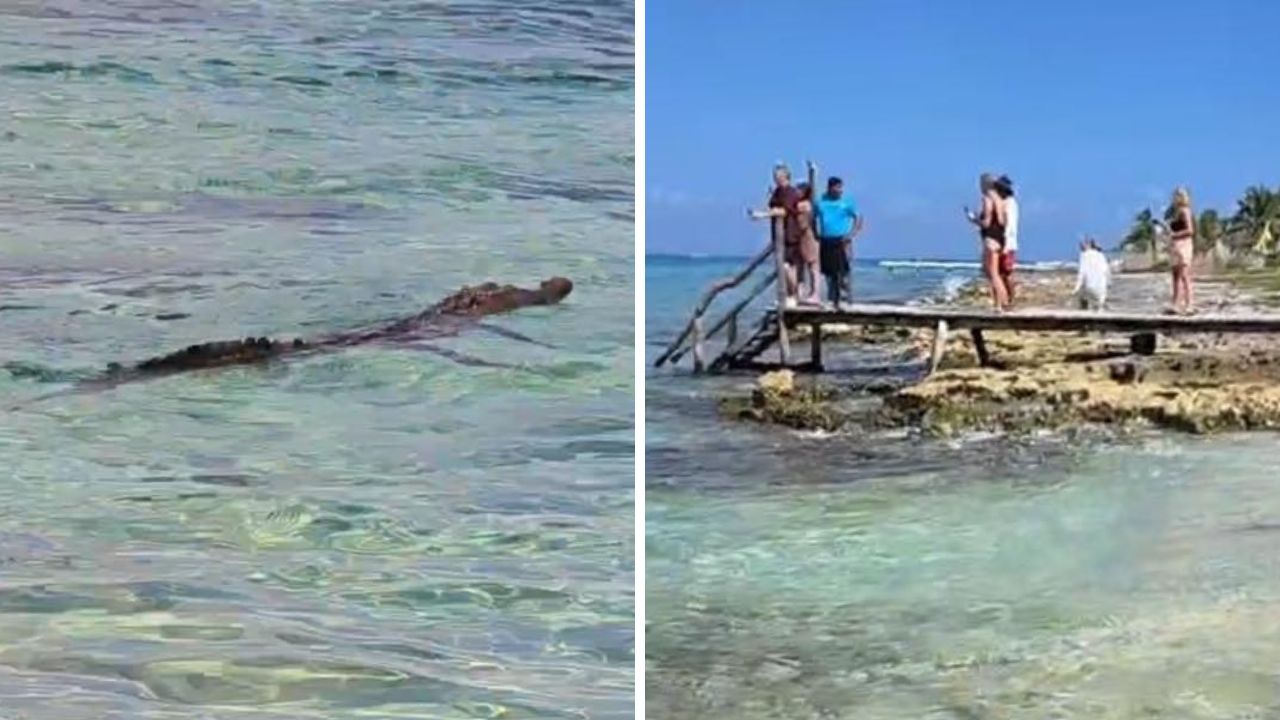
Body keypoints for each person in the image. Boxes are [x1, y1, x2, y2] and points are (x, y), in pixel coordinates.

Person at [749, 163, 804, 307]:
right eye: (774, 176)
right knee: (782, 266)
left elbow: (784, 211)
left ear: (786, 176)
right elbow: (772, 206)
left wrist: (762, 215)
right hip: (779, 235)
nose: (776, 178)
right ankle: (787, 295)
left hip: (790, 234)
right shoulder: (777, 192)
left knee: (787, 266)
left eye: (778, 176)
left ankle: (794, 295)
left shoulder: (790, 192)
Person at [814, 176, 863, 309]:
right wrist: (815, 233)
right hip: (826, 240)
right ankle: (832, 300)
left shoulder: (846, 202)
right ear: (830, 188)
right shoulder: (820, 202)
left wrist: (852, 233)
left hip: (842, 240)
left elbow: (858, 217)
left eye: (841, 188)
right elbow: (812, 217)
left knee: (843, 272)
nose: (840, 190)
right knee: (829, 273)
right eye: (837, 188)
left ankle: (846, 300)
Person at [965, 173, 1010, 311]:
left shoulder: (987, 199)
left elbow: (987, 222)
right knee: (995, 273)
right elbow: (1003, 221)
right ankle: (1000, 304)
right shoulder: (1001, 200)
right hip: (1000, 238)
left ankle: (1003, 303)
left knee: (992, 274)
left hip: (990, 239)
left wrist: (973, 219)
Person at [1165, 187, 1196, 314]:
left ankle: (1189, 304)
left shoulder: (1185, 211)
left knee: (1184, 275)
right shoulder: (1175, 212)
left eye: (1178, 195)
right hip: (1175, 246)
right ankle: (1175, 304)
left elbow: (1190, 230)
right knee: (1175, 276)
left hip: (1183, 244)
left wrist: (1174, 235)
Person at [792, 182, 822, 305]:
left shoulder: (805, 205)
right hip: (800, 238)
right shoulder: (800, 204)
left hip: (808, 237)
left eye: (798, 190)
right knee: (800, 266)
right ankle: (800, 293)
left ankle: (815, 294)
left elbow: (803, 223)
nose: (796, 192)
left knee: (813, 266)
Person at [994, 175, 1019, 303]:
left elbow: (1007, 224)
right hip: (1008, 242)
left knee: (1005, 273)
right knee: (1003, 273)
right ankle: (1008, 300)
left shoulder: (1008, 203)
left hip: (1007, 242)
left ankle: (1009, 300)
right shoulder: (1010, 202)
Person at [1073, 238, 1110, 310]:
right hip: (1101, 289)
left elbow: (1081, 274)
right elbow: (1107, 271)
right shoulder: (1101, 255)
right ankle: (1100, 306)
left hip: (1090, 289)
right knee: (1099, 301)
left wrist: (1075, 289)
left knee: (1083, 294)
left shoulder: (1084, 255)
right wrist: (1109, 283)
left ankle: (1085, 309)